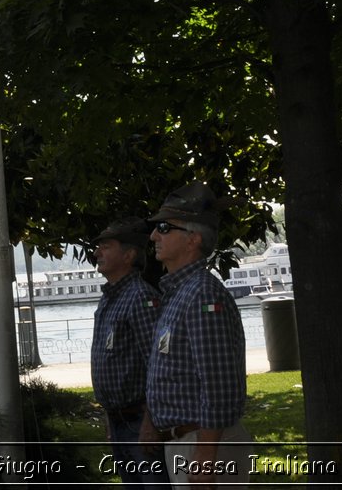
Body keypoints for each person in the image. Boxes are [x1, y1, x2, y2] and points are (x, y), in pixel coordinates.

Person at [142, 182, 251, 488]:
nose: (153, 236)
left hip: (204, 446)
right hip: (189, 443)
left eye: (164, 228)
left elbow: (218, 385)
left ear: (193, 239)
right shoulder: (180, 293)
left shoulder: (202, 294)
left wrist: (204, 457)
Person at [89, 217, 165, 487]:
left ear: (129, 254)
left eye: (106, 246)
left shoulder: (141, 298)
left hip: (140, 422)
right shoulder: (110, 298)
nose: (97, 252)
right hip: (120, 421)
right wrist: (111, 417)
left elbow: (157, 365)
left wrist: (151, 422)